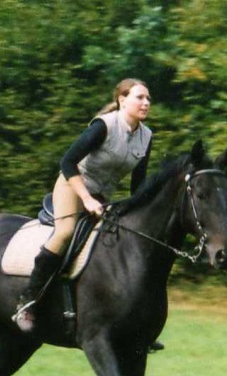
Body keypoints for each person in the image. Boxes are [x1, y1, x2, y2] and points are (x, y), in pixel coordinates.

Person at [13, 78, 154, 331]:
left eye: (148, 99)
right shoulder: (104, 126)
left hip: (101, 196)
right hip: (73, 185)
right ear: (122, 100)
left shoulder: (146, 136)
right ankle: (27, 301)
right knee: (65, 233)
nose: (146, 103)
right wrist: (86, 198)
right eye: (139, 97)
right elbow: (67, 162)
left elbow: (138, 185)